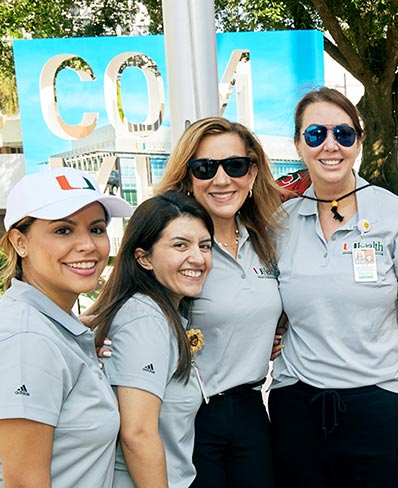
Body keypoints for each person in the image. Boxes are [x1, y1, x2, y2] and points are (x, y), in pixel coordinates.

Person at [268, 87, 398, 487]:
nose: (330, 146)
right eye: (315, 134)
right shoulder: (279, 222)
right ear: (297, 143)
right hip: (298, 404)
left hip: (379, 404)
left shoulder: (395, 214)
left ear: (359, 143)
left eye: (343, 134)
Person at [0, 167, 133, 486]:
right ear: (20, 242)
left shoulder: (51, 327)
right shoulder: (25, 341)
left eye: (96, 229)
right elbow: (26, 482)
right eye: (63, 231)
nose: (88, 246)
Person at [154, 117, 285, 487]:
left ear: (253, 172)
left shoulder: (266, 240)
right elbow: (130, 303)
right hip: (191, 416)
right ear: (188, 176)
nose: (222, 179)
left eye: (235, 165)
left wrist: (278, 332)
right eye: (205, 168)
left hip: (250, 409)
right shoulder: (173, 246)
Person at [87, 192, 214, 488]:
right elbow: (137, 435)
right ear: (143, 257)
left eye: (204, 246)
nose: (197, 258)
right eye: (180, 245)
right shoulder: (145, 320)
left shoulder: (160, 313)